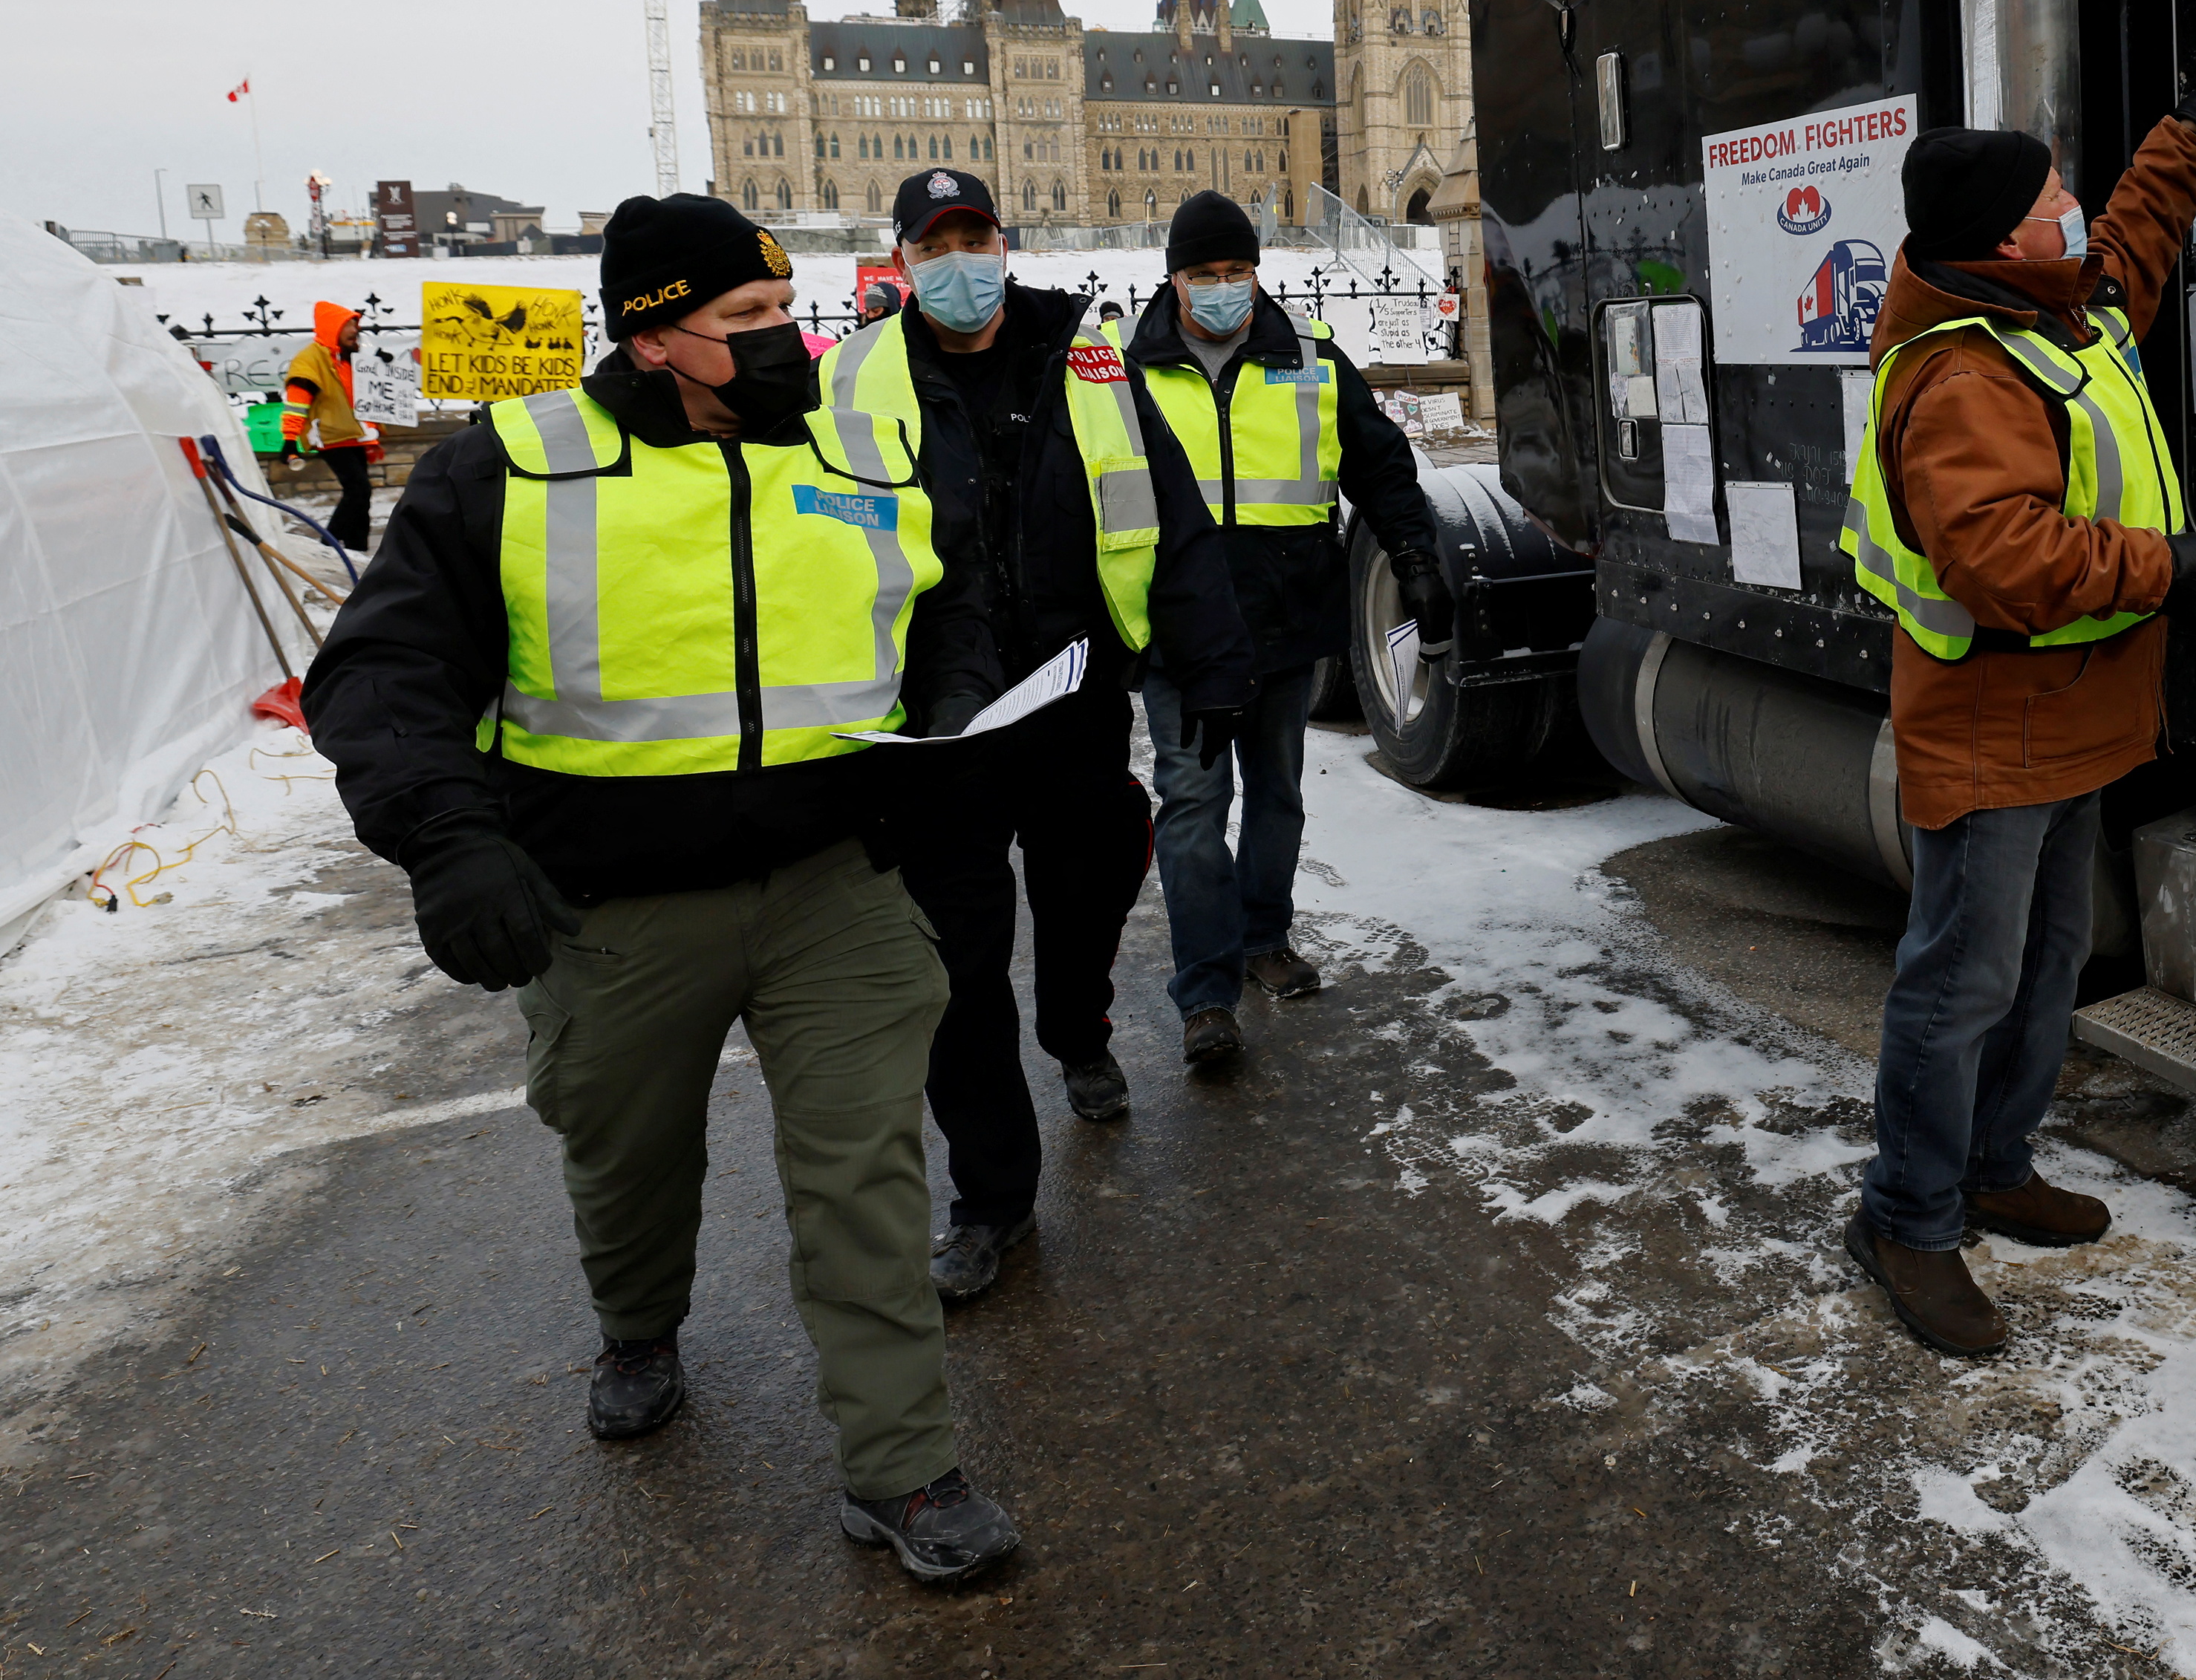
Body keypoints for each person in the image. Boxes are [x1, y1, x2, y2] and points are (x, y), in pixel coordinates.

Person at [300, 193, 1020, 1583]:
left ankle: (903, 1470)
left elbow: (946, 606)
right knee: (626, 1155)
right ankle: (638, 1327)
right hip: (613, 906)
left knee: (865, 1174)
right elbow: (382, 675)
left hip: (834, 885)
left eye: (783, 310)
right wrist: (450, 838)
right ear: (653, 339)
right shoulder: (501, 473)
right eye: (745, 321)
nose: (785, 341)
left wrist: (956, 706)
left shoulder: (857, 446)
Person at [1834, 79, 2196, 1355]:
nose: (2072, 209)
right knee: (1960, 981)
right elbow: (2004, 557)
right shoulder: (1959, 371)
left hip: (2070, 716)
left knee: (2044, 961)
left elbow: (2135, 235)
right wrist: (2169, 568)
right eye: (2048, 199)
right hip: (1991, 724)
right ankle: (1907, 1220)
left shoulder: (2058, 310)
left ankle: (1994, 1163)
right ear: (1999, 240)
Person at [818, 169, 1253, 1304]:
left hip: (1072, 693)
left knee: (1093, 879)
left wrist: (1209, 660)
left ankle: (1078, 1024)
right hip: (939, 721)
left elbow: (1173, 509)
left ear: (1003, 243)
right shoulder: (853, 374)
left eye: (976, 236)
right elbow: (799, 537)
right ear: (903, 258)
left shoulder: (1087, 356)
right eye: (936, 243)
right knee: (957, 968)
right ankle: (993, 1198)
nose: (960, 261)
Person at [1121, 192, 1452, 1054]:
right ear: (1175, 277)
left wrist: (1413, 555)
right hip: (1181, 630)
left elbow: (1380, 465)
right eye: (1205, 274)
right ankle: (1205, 992)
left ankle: (1264, 935)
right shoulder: (1125, 374)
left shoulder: (1311, 360)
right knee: (1193, 804)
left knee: (1277, 795)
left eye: (1237, 271)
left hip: (1286, 619)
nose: (1224, 287)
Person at [282, 301, 373, 550]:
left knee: (362, 494)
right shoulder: (310, 360)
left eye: (356, 324)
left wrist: (383, 366)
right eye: (348, 325)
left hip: (353, 433)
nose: (355, 331)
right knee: (358, 490)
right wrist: (290, 439)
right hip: (329, 435)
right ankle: (327, 544)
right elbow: (296, 403)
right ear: (333, 328)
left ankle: (358, 549)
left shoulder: (346, 358)